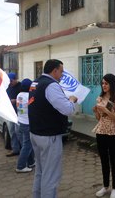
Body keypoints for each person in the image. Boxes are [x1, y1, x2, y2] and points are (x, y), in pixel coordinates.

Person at [28, 59, 78, 198]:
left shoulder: (35, 83)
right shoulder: (51, 86)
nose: (62, 75)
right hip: (49, 136)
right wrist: (72, 100)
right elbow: (67, 109)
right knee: (50, 176)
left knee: (40, 171)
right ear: (54, 70)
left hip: (36, 133)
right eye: (61, 71)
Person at [93, 74, 115, 198]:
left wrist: (106, 111)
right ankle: (105, 186)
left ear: (112, 84)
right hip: (101, 131)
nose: (104, 85)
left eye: (106, 83)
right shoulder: (100, 98)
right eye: (102, 83)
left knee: (113, 160)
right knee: (104, 160)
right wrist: (96, 112)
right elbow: (99, 119)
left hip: (114, 132)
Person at [15, 78, 35, 173]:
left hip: (20, 122)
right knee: (27, 145)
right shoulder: (29, 96)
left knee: (27, 144)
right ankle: (20, 166)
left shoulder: (19, 95)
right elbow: (34, 108)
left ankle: (31, 162)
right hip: (27, 123)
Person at [6, 72, 21, 157]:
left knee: (18, 132)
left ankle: (23, 149)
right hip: (10, 113)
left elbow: (26, 98)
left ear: (15, 79)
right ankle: (15, 149)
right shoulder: (8, 87)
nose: (10, 83)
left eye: (11, 81)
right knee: (12, 131)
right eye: (9, 81)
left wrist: (15, 100)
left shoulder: (21, 87)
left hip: (19, 114)